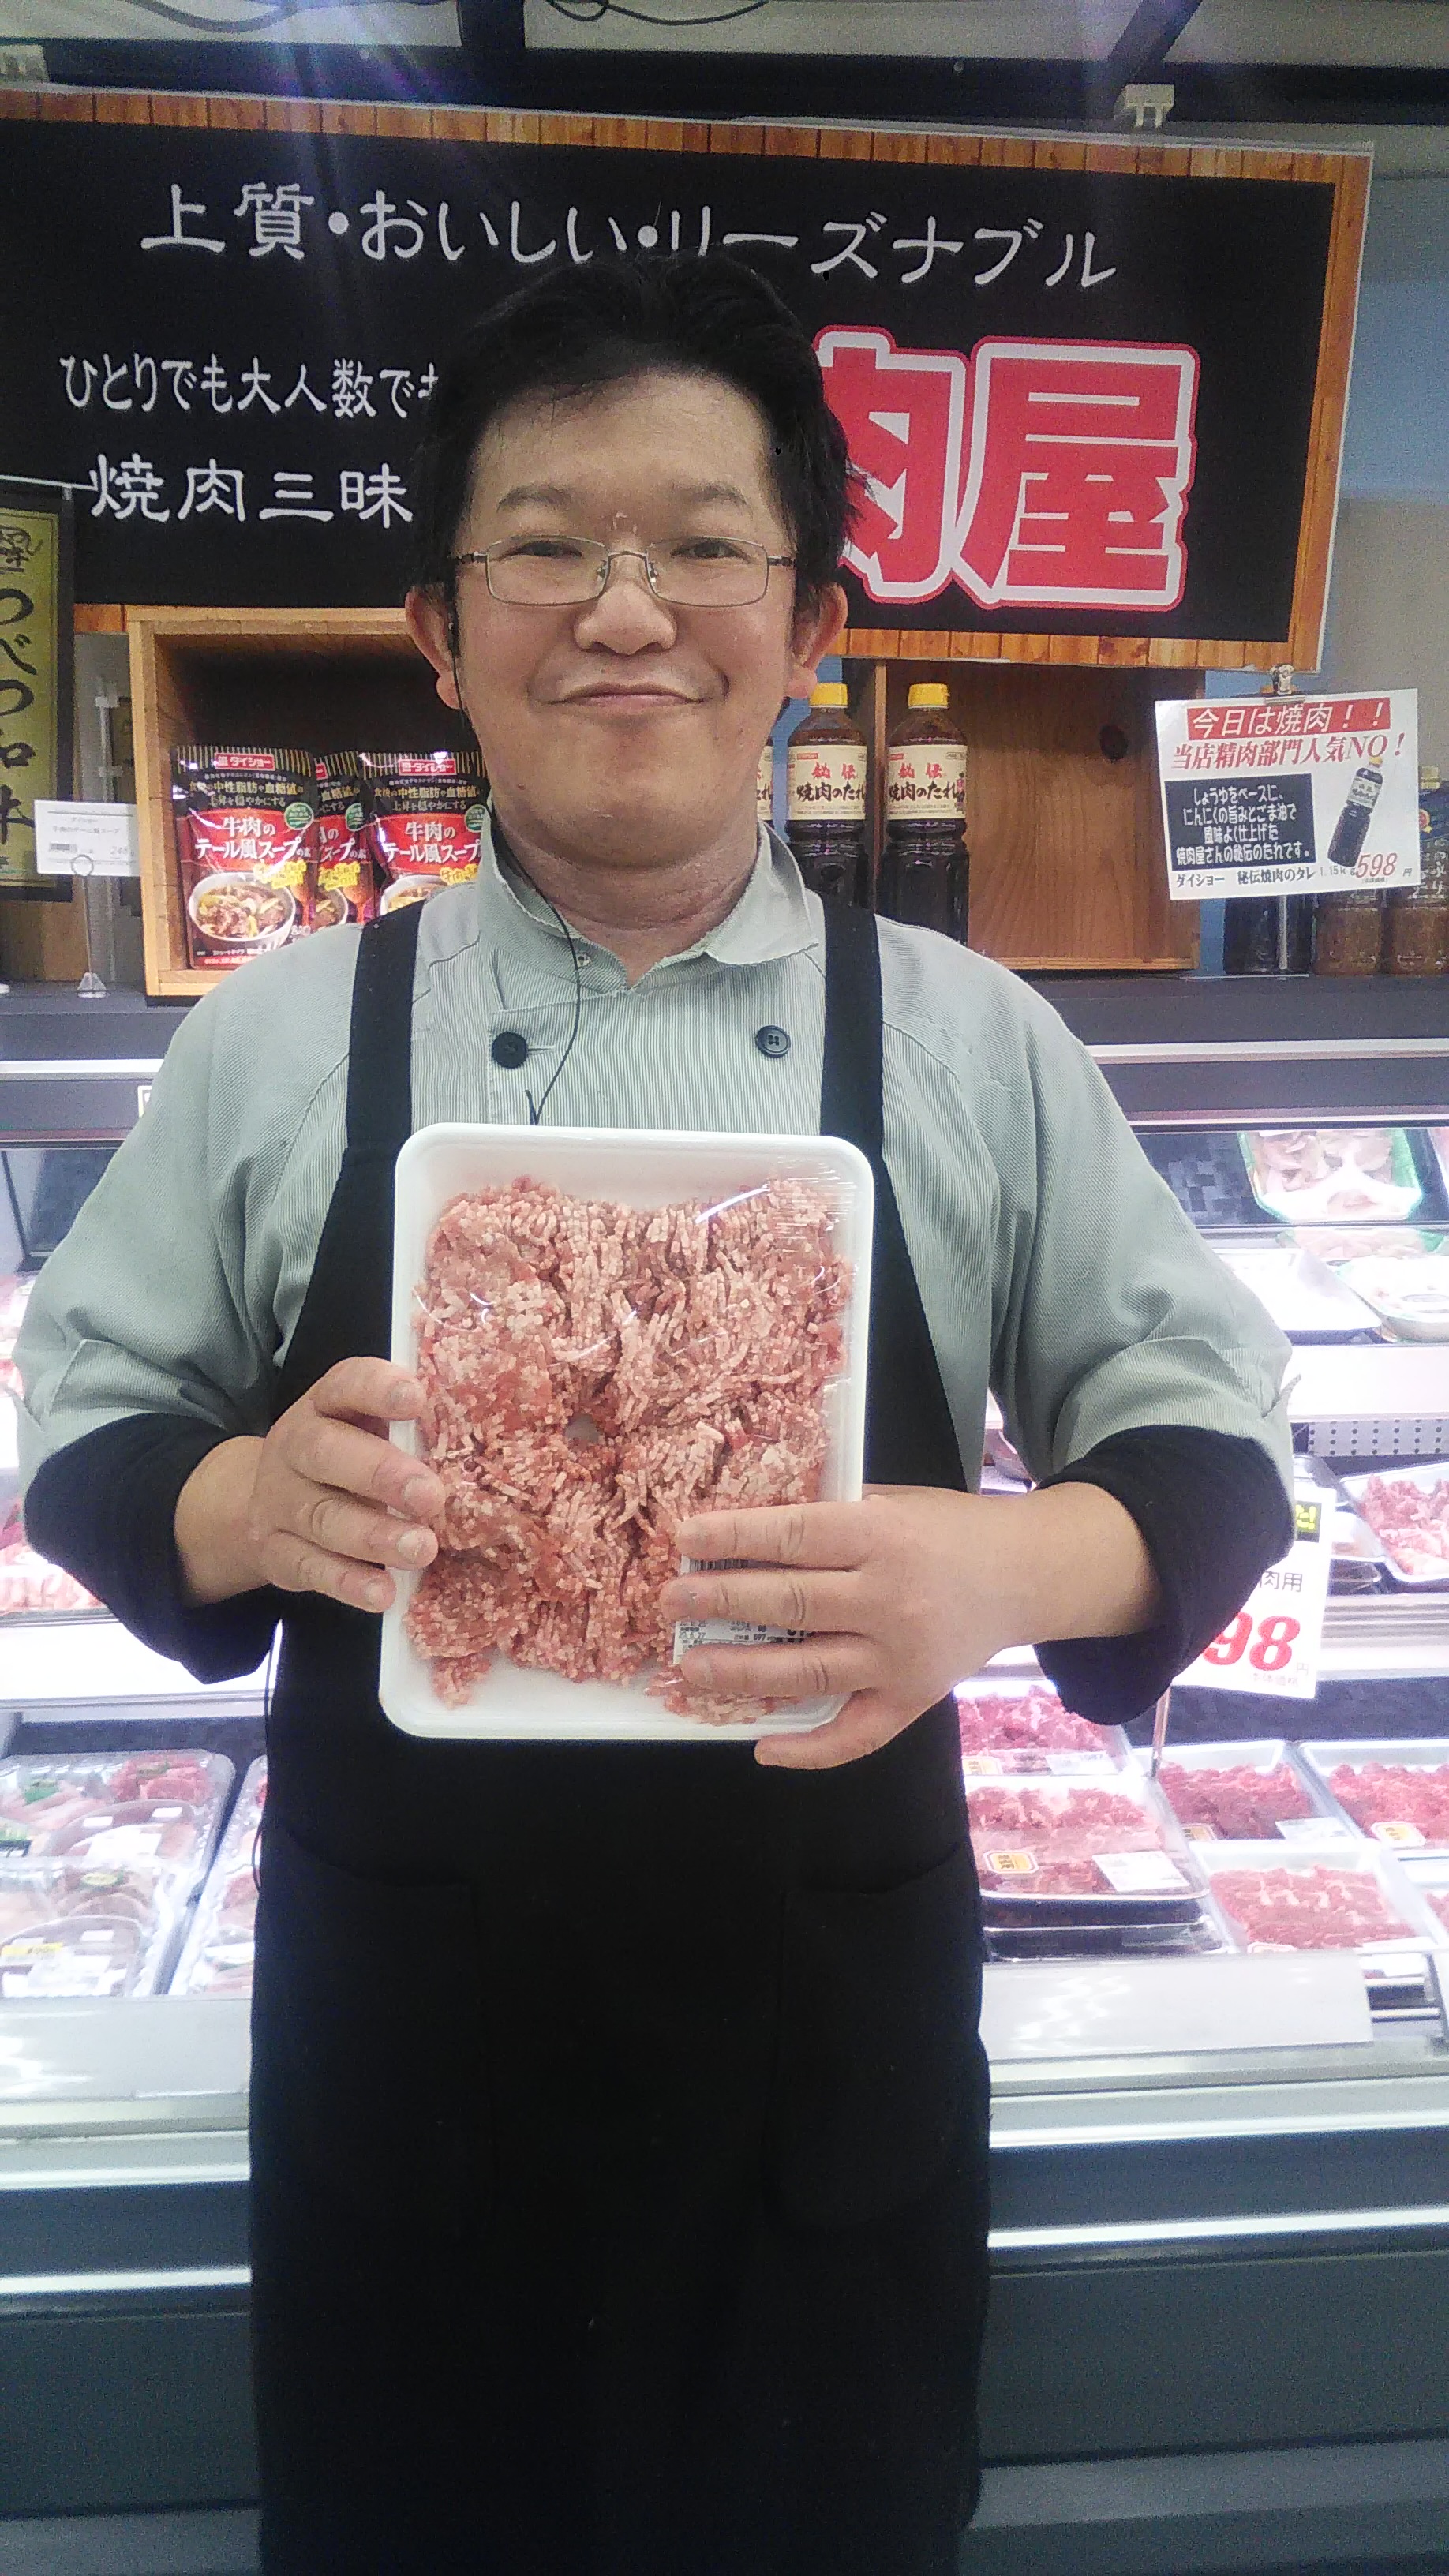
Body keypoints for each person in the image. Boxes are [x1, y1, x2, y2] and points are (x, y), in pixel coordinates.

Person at [15, 256, 1293, 2576]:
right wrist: (243, 1501)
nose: (626, 611)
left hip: (819, 2050)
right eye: (547, 546)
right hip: (411, 2056)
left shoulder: (972, 1039)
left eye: (703, 545)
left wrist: (1007, 1564)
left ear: (806, 628)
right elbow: (86, 1413)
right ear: (442, 628)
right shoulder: (281, 1033)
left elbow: (1207, 1436)